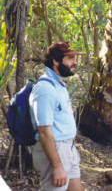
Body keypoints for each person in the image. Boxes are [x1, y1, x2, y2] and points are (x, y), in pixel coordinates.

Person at [29, 42, 83, 191]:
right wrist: (57, 166)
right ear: (55, 61)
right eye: (70, 58)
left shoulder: (59, 84)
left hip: (68, 148)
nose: (75, 62)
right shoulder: (45, 89)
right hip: (55, 150)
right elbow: (44, 132)